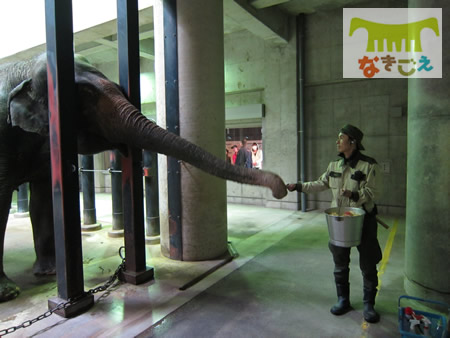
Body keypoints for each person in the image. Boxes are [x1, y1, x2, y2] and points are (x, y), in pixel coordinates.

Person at [286, 124, 382, 323]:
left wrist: (354, 195)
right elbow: (320, 183)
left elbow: (373, 192)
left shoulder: (368, 165)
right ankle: (343, 300)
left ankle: (369, 305)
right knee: (340, 263)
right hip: (340, 222)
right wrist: (299, 186)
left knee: (368, 264)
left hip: (364, 221)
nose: (337, 142)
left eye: (341, 138)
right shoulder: (334, 166)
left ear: (352, 142)